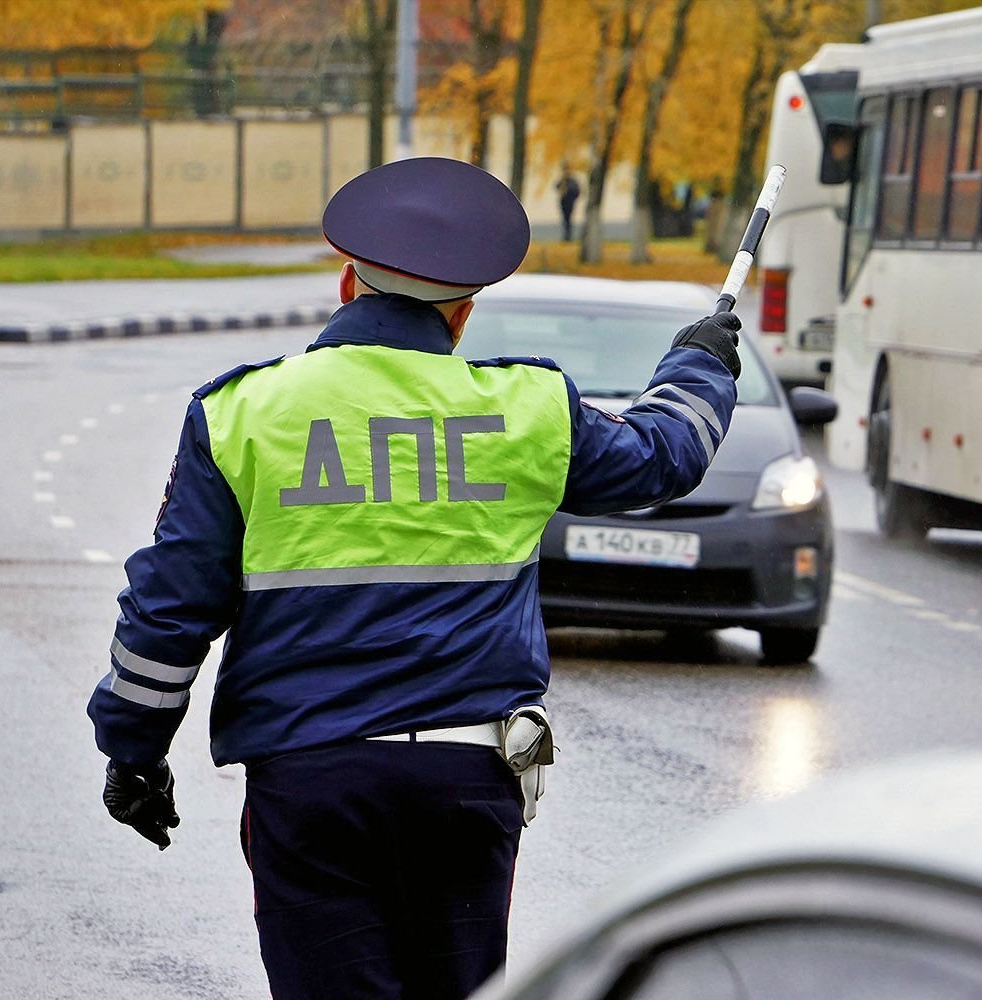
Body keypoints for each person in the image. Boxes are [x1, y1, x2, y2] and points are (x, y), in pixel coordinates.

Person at [86, 156, 742, 1000]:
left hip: (311, 777)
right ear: (463, 313)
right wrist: (700, 362)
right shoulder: (528, 409)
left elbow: (170, 611)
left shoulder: (242, 412)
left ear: (345, 287)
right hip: (469, 782)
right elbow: (664, 455)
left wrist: (133, 753)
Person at [554, 165, 580, 241]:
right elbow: (556, 186)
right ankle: (566, 236)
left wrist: (572, 196)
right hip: (563, 202)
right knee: (565, 220)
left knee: (568, 220)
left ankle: (568, 236)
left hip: (570, 202)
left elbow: (577, 191)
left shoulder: (572, 181)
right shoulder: (562, 180)